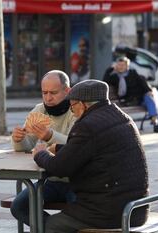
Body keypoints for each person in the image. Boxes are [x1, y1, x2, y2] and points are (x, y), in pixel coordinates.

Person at [34, 79, 149, 233]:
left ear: (83, 105)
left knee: (54, 224)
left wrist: (40, 153)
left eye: (73, 105)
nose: (72, 111)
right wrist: (61, 148)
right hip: (136, 208)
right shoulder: (121, 117)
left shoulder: (87, 126)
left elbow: (59, 168)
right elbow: (94, 149)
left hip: (109, 212)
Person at [10, 70, 76, 226]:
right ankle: (54, 230)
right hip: (50, 179)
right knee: (19, 207)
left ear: (68, 91)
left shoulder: (76, 109)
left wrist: (49, 136)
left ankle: (57, 228)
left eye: (53, 92)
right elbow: (26, 146)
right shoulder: (40, 110)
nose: (48, 98)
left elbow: (77, 146)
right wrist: (19, 139)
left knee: (78, 214)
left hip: (77, 181)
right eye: (44, 93)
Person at [103, 56, 158, 132]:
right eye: (119, 65)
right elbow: (104, 82)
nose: (120, 67)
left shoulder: (133, 72)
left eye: (123, 65)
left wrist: (148, 90)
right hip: (128, 100)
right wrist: (110, 69)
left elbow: (142, 81)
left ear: (127, 66)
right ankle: (154, 119)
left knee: (149, 97)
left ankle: (154, 120)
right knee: (151, 102)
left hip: (140, 98)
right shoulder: (114, 76)